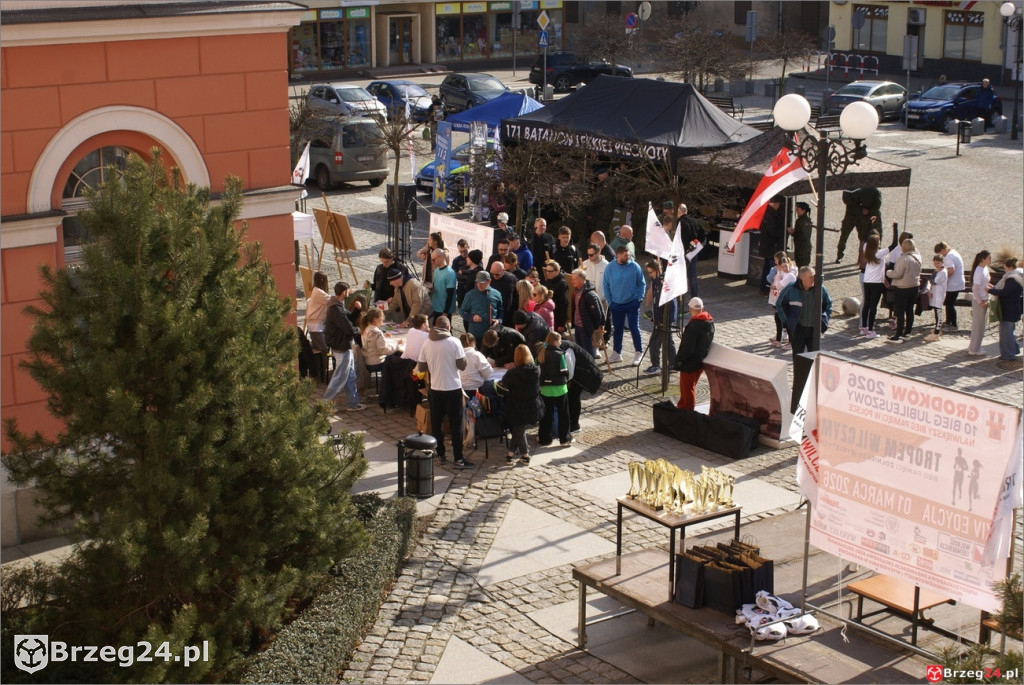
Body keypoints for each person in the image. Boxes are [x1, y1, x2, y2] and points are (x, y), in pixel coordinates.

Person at [416, 316, 473, 468]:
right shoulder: (454, 342)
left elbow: (421, 367)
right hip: (452, 388)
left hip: (435, 389)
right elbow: (462, 366)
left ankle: (440, 455)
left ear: (436, 326)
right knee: (456, 425)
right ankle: (458, 458)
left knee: (437, 424)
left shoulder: (427, 343)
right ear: (448, 327)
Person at [495, 344, 543, 465]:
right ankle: (510, 454)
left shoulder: (513, 374)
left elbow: (502, 386)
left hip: (517, 406)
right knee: (518, 429)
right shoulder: (536, 370)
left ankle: (525, 455)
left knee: (519, 429)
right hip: (532, 406)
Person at [323, 282, 366, 412]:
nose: (349, 293)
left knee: (350, 376)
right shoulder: (335, 309)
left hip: (344, 345)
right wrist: (360, 330)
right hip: (341, 346)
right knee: (340, 377)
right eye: (348, 291)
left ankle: (353, 403)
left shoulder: (337, 305)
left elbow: (348, 319)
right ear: (343, 293)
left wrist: (357, 310)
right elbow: (348, 328)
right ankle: (325, 404)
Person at [777, 266, 833, 362]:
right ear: (802, 278)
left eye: (814, 276)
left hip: (814, 330)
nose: (813, 279)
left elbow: (828, 305)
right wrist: (787, 322)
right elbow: (780, 304)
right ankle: (799, 377)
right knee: (798, 358)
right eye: (810, 277)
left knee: (814, 358)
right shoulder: (791, 289)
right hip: (798, 329)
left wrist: (824, 320)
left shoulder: (820, 289)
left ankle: (811, 376)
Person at [602, 245, 646, 365]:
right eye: (626, 255)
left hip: (632, 302)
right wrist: (610, 302)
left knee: (634, 327)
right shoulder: (610, 267)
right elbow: (605, 285)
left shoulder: (634, 266)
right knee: (617, 329)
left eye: (629, 255)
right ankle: (617, 353)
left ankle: (638, 352)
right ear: (618, 255)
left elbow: (642, 283)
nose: (628, 257)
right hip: (616, 303)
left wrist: (639, 298)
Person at [674, 297, 715, 411]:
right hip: (700, 360)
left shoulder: (693, 326)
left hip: (690, 362)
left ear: (690, 309)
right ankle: (683, 407)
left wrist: (680, 359)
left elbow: (687, 348)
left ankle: (687, 411)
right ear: (702, 308)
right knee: (690, 387)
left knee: (687, 389)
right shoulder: (709, 322)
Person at [858, 224, 898, 339]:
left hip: (867, 280)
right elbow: (894, 244)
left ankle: (863, 328)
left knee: (866, 304)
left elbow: (865, 238)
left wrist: (869, 224)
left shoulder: (866, 249)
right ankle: (870, 331)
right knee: (873, 306)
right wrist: (895, 228)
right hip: (876, 282)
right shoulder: (879, 253)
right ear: (877, 244)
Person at [558, 335, 602, 434]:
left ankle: (575, 425)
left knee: (573, 396)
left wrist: (567, 382)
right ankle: (570, 421)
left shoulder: (567, 350)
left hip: (585, 373)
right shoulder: (561, 347)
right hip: (579, 371)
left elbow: (570, 371)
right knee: (571, 396)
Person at [537, 331, 571, 447]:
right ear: (555, 341)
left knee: (546, 415)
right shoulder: (560, 354)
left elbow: (537, 367)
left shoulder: (542, 353)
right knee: (563, 414)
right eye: (560, 340)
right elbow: (564, 371)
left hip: (545, 389)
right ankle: (564, 438)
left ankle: (544, 438)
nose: (561, 342)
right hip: (560, 388)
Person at [885, 238, 922, 344]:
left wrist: (888, 272)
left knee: (900, 311)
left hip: (903, 288)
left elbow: (898, 274)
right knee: (910, 310)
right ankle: (907, 333)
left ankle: (898, 334)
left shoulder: (903, 259)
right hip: (914, 286)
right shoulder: (918, 257)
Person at [643, 260, 677, 374]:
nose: (649, 275)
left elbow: (670, 303)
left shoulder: (664, 282)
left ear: (657, 270)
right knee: (667, 341)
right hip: (660, 318)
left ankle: (656, 365)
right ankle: (672, 364)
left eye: (651, 272)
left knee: (655, 342)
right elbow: (656, 300)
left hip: (664, 319)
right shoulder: (656, 281)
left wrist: (664, 320)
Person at [988, 257, 1024, 361]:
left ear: (1009, 267)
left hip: (1009, 309)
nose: (1005, 271)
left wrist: (989, 290)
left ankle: (1008, 354)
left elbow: (1005, 293)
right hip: (1013, 308)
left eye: (1005, 268)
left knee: (1006, 333)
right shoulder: (1018, 276)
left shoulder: (1013, 278)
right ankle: (1013, 350)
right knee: (1010, 332)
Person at [569, 268, 603, 358]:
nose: (572, 281)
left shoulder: (589, 294)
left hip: (585, 327)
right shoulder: (576, 291)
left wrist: (593, 327)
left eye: (574, 279)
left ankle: (591, 369)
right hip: (577, 326)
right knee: (580, 350)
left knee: (587, 352)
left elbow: (597, 313)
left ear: (581, 279)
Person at [460, 270, 502, 341]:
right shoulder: (470, 295)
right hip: (476, 334)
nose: (479, 285)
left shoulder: (497, 294)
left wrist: (499, 320)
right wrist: (472, 317)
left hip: (492, 335)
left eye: (482, 283)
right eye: (477, 282)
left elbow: (501, 311)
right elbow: (462, 311)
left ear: (489, 281)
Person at [584, 242, 611, 355]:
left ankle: (596, 347)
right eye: (588, 255)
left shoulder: (607, 266)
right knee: (588, 322)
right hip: (587, 299)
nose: (589, 257)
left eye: (592, 255)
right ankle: (587, 344)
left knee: (599, 324)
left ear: (599, 253)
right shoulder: (584, 264)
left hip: (602, 299)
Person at [675, 204, 707, 297]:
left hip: (683, 251)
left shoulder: (680, 222)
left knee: (681, 274)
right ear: (686, 211)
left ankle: (680, 296)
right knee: (692, 274)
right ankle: (694, 296)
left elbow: (679, 238)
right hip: (693, 251)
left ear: (680, 211)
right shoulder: (695, 221)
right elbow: (703, 236)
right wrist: (696, 244)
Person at [766, 252, 796, 348]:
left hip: (787, 301)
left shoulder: (790, 275)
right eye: (782, 267)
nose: (784, 269)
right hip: (781, 300)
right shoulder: (785, 273)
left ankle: (790, 342)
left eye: (785, 266)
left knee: (786, 321)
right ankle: (779, 340)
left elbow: (778, 286)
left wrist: (778, 273)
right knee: (778, 318)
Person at [967, 250, 992, 356]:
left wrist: (990, 288)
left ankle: (974, 345)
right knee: (978, 326)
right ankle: (974, 348)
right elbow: (975, 288)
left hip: (985, 299)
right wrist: (980, 301)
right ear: (983, 259)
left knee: (981, 325)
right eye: (989, 258)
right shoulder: (979, 271)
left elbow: (985, 283)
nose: (990, 260)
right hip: (980, 301)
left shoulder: (984, 269)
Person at [759, 196, 786, 295]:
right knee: (770, 268)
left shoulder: (767, 213)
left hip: (767, 246)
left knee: (767, 267)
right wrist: (784, 231)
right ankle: (766, 288)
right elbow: (773, 231)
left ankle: (764, 288)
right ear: (775, 204)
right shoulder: (771, 215)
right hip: (771, 247)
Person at [935, 241, 965, 330]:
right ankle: (948, 321)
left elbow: (951, 270)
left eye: (940, 253)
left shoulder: (949, 256)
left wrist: (942, 276)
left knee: (949, 303)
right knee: (949, 302)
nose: (941, 255)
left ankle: (953, 324)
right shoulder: (953, 253)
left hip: (954, 284)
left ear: (943, 250)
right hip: (957, 282)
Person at [360, 307, 400, 373]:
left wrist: (383, 337)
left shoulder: (366, 329)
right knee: (398, 358)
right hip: (376, 363)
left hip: (368, 360)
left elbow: (372, 341)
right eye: (381, 317)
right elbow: (383, 350)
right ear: (375, 319)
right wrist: (396, 345)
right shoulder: (377, 332)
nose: (383, 318)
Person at [305, 270, 332, 355]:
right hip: (315, 325)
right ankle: (320, 367)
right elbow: (331, 300)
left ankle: (321, 366)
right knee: (322, 349)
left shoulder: (316, 291)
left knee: (319, 348)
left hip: (317, 324)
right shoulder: (318, 292)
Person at [429, 248, 457, 325]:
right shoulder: (436, 270)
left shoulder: (450, 273)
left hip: (444, 309)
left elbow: (450, 294)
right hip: (436, 306)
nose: (432, 262)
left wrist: (445, 312)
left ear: (440, 257)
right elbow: (436, 286)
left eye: (433, 260)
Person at [541, 260, 570, 333]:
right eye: (547, 271)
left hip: (557, 317)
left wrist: (561, 323)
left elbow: (563, 304)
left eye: (550, 271)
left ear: (557, 271)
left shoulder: (562, 284)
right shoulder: (548, 281)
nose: (548, 273)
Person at [924, 254, 948, 341]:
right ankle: (937, 329)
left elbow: (934, 281)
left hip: (939, 295)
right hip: (935, 294)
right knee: (936, 313)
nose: (936, 265)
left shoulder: (942, 272)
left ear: (942, 262)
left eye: (938, 263)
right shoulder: (938, 271)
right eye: (935, 263)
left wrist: (934, 274)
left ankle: (936, 334)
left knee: (939, 314)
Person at [488, 260, 518, 324]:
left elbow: (516, 296)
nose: (494, 276)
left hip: (508, 311)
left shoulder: (511, 279)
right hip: (494, 311)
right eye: (492, 274)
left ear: (503, 271)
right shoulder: (489, 278)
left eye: (497, 274)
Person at [787, 201, 813, 268]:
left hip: (803, 249)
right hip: (799, 248)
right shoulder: (800, 220)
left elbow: (804, 236)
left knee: (803, 267)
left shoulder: (805, 221)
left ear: (803, 210)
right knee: (799, 265)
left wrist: (793, 232)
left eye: (798, 209)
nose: (796, 211)